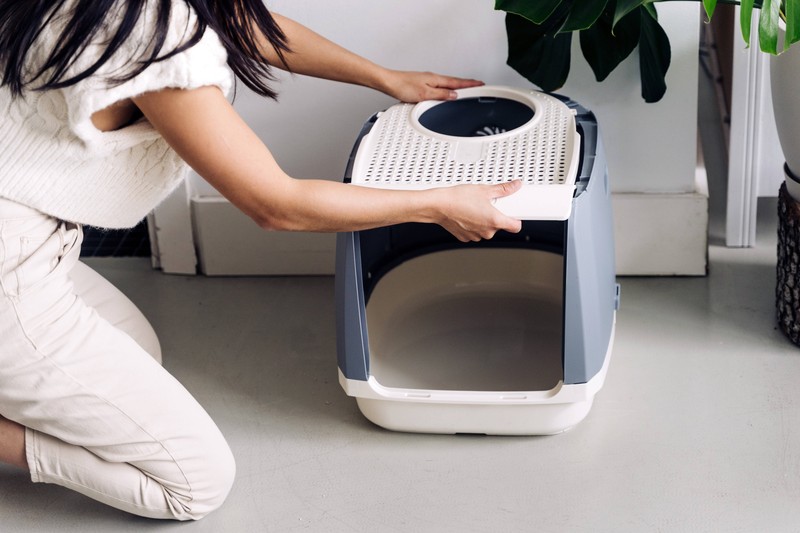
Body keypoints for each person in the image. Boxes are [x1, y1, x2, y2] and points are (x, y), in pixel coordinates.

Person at [0, 0, 522, 520]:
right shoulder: (145, 32)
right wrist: (435, 205)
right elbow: (276, 205)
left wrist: (384, 78)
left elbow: (244, 24)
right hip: (11, 266)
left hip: (37, 241)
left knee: (137, 350)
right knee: (192, 484)